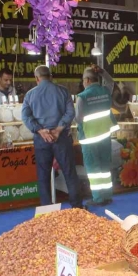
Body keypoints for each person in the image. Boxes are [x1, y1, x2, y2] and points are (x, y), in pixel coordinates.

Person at [21, 65, 83, 209]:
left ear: (36, 78)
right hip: (61, 138)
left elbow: (25, 116)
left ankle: (47, 211)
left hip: (41, 139)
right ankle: (77, 207)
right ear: (51, 76)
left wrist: (40, 130)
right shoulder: (63, 91)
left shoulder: (30, 95)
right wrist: (58, 129)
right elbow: (70, 113)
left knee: (43, 176)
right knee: (69, 172)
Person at [76, 66, 119, 207]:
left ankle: (98, 198)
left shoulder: (82, 97)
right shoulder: (105, 91)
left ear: (87, 80)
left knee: (93, 169)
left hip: (89, 138)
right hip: (104, 135)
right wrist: (103, 71)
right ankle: (107, 195)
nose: (83, 83)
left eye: (83, 80)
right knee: (105, 166)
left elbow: (78, 118)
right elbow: (111, 82)